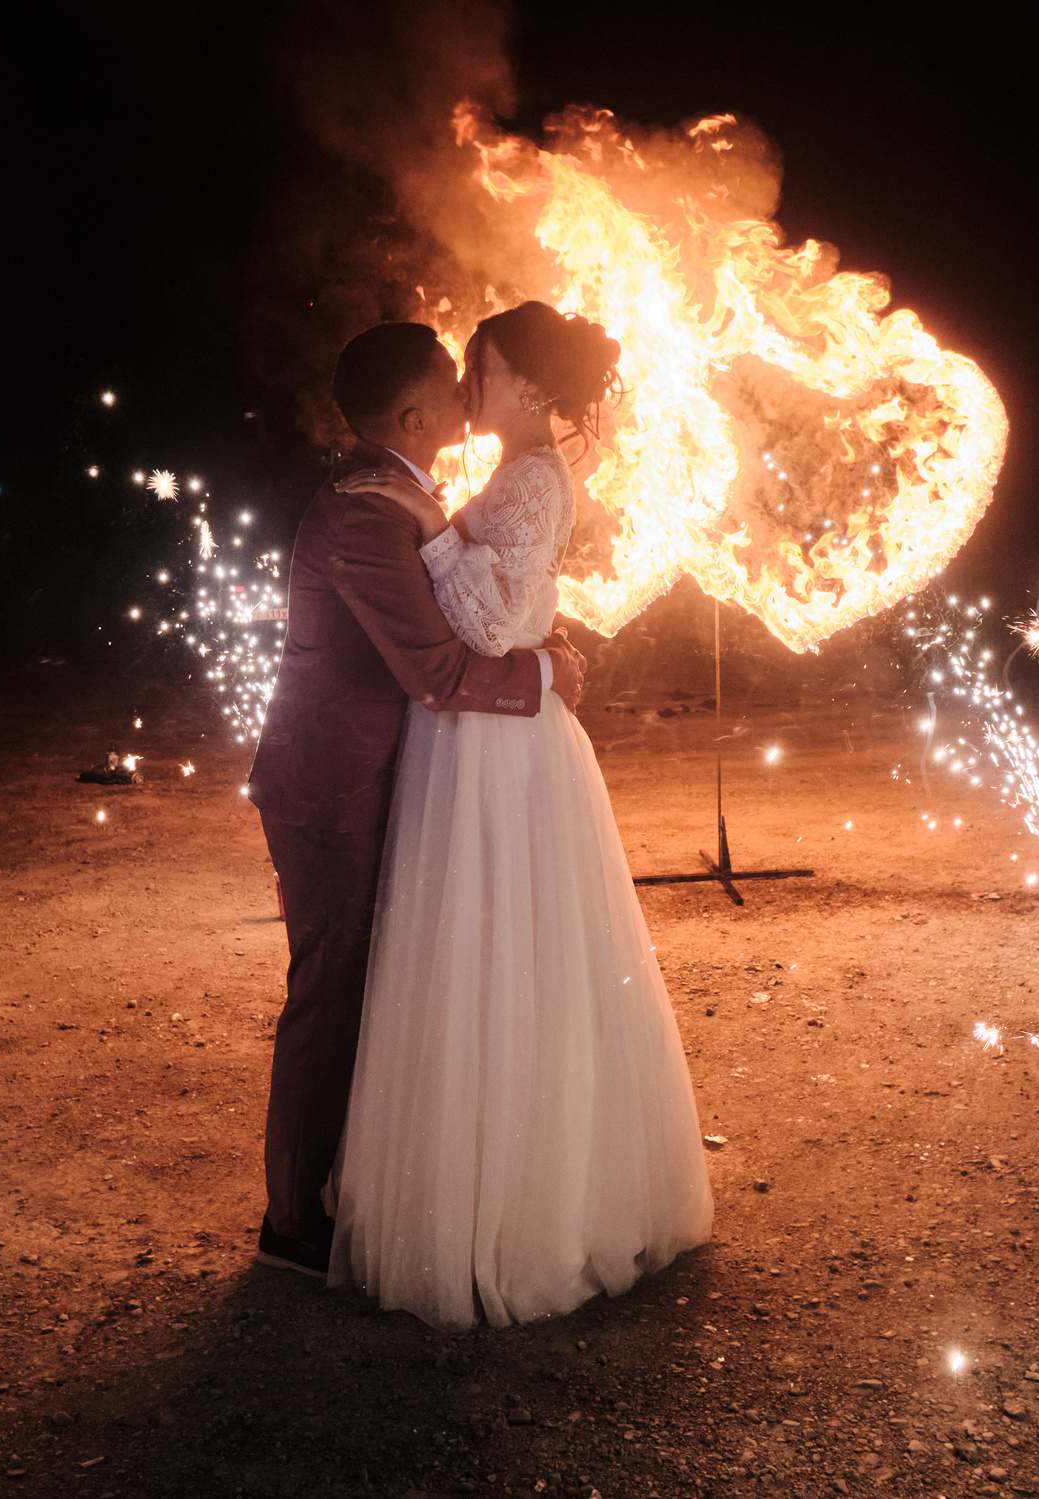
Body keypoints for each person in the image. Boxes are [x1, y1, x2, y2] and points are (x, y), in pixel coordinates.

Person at [322, 301, 714, 1328]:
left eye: (480, 368)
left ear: (529, 390)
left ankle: (523, 1209)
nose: (465, 385)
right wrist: (450, 534)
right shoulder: (508, 474)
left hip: (500, 745)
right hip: (475, 738)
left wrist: (431, 533)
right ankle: (482, 1184)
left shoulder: (533, 476)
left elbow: (493, 620)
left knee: (505, 945)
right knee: (475, 945)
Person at [245, 322, 588, 1281]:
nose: (464, 385)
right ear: (415, 414)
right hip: (330, 784)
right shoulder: (368, 509)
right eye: (452, 375)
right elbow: (437, 668)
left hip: (369, 771)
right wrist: (547, 676)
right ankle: (291, 1226)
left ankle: (344, 1189)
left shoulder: (402, 487)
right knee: (334, 983)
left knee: (374, 979)